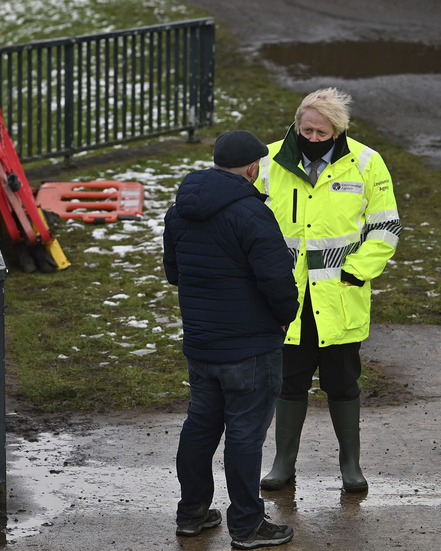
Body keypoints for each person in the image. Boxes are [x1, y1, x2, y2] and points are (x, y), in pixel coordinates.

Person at [256, 88, 402, 493]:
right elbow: (247, 222)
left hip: (340, 297)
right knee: (289, 383)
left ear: (338, 131)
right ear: (297, 124)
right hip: (287, 298)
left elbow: (385, 225)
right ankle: (283, 463)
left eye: (323, 132)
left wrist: (357, 271)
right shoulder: (267, 161)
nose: (314, 138)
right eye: (307, 130)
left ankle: (350, 465)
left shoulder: (367, 163)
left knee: (342, 383)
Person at [164, 130, 299, 549]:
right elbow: (277, 279)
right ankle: (246, 526)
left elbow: (174, 273)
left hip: (202, 344)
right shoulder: (251, 212)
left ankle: (192, 514)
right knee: (245, 434)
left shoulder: (179, 209)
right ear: (253, 168)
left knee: (201, 426)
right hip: (250, 348)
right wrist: (284, 317)